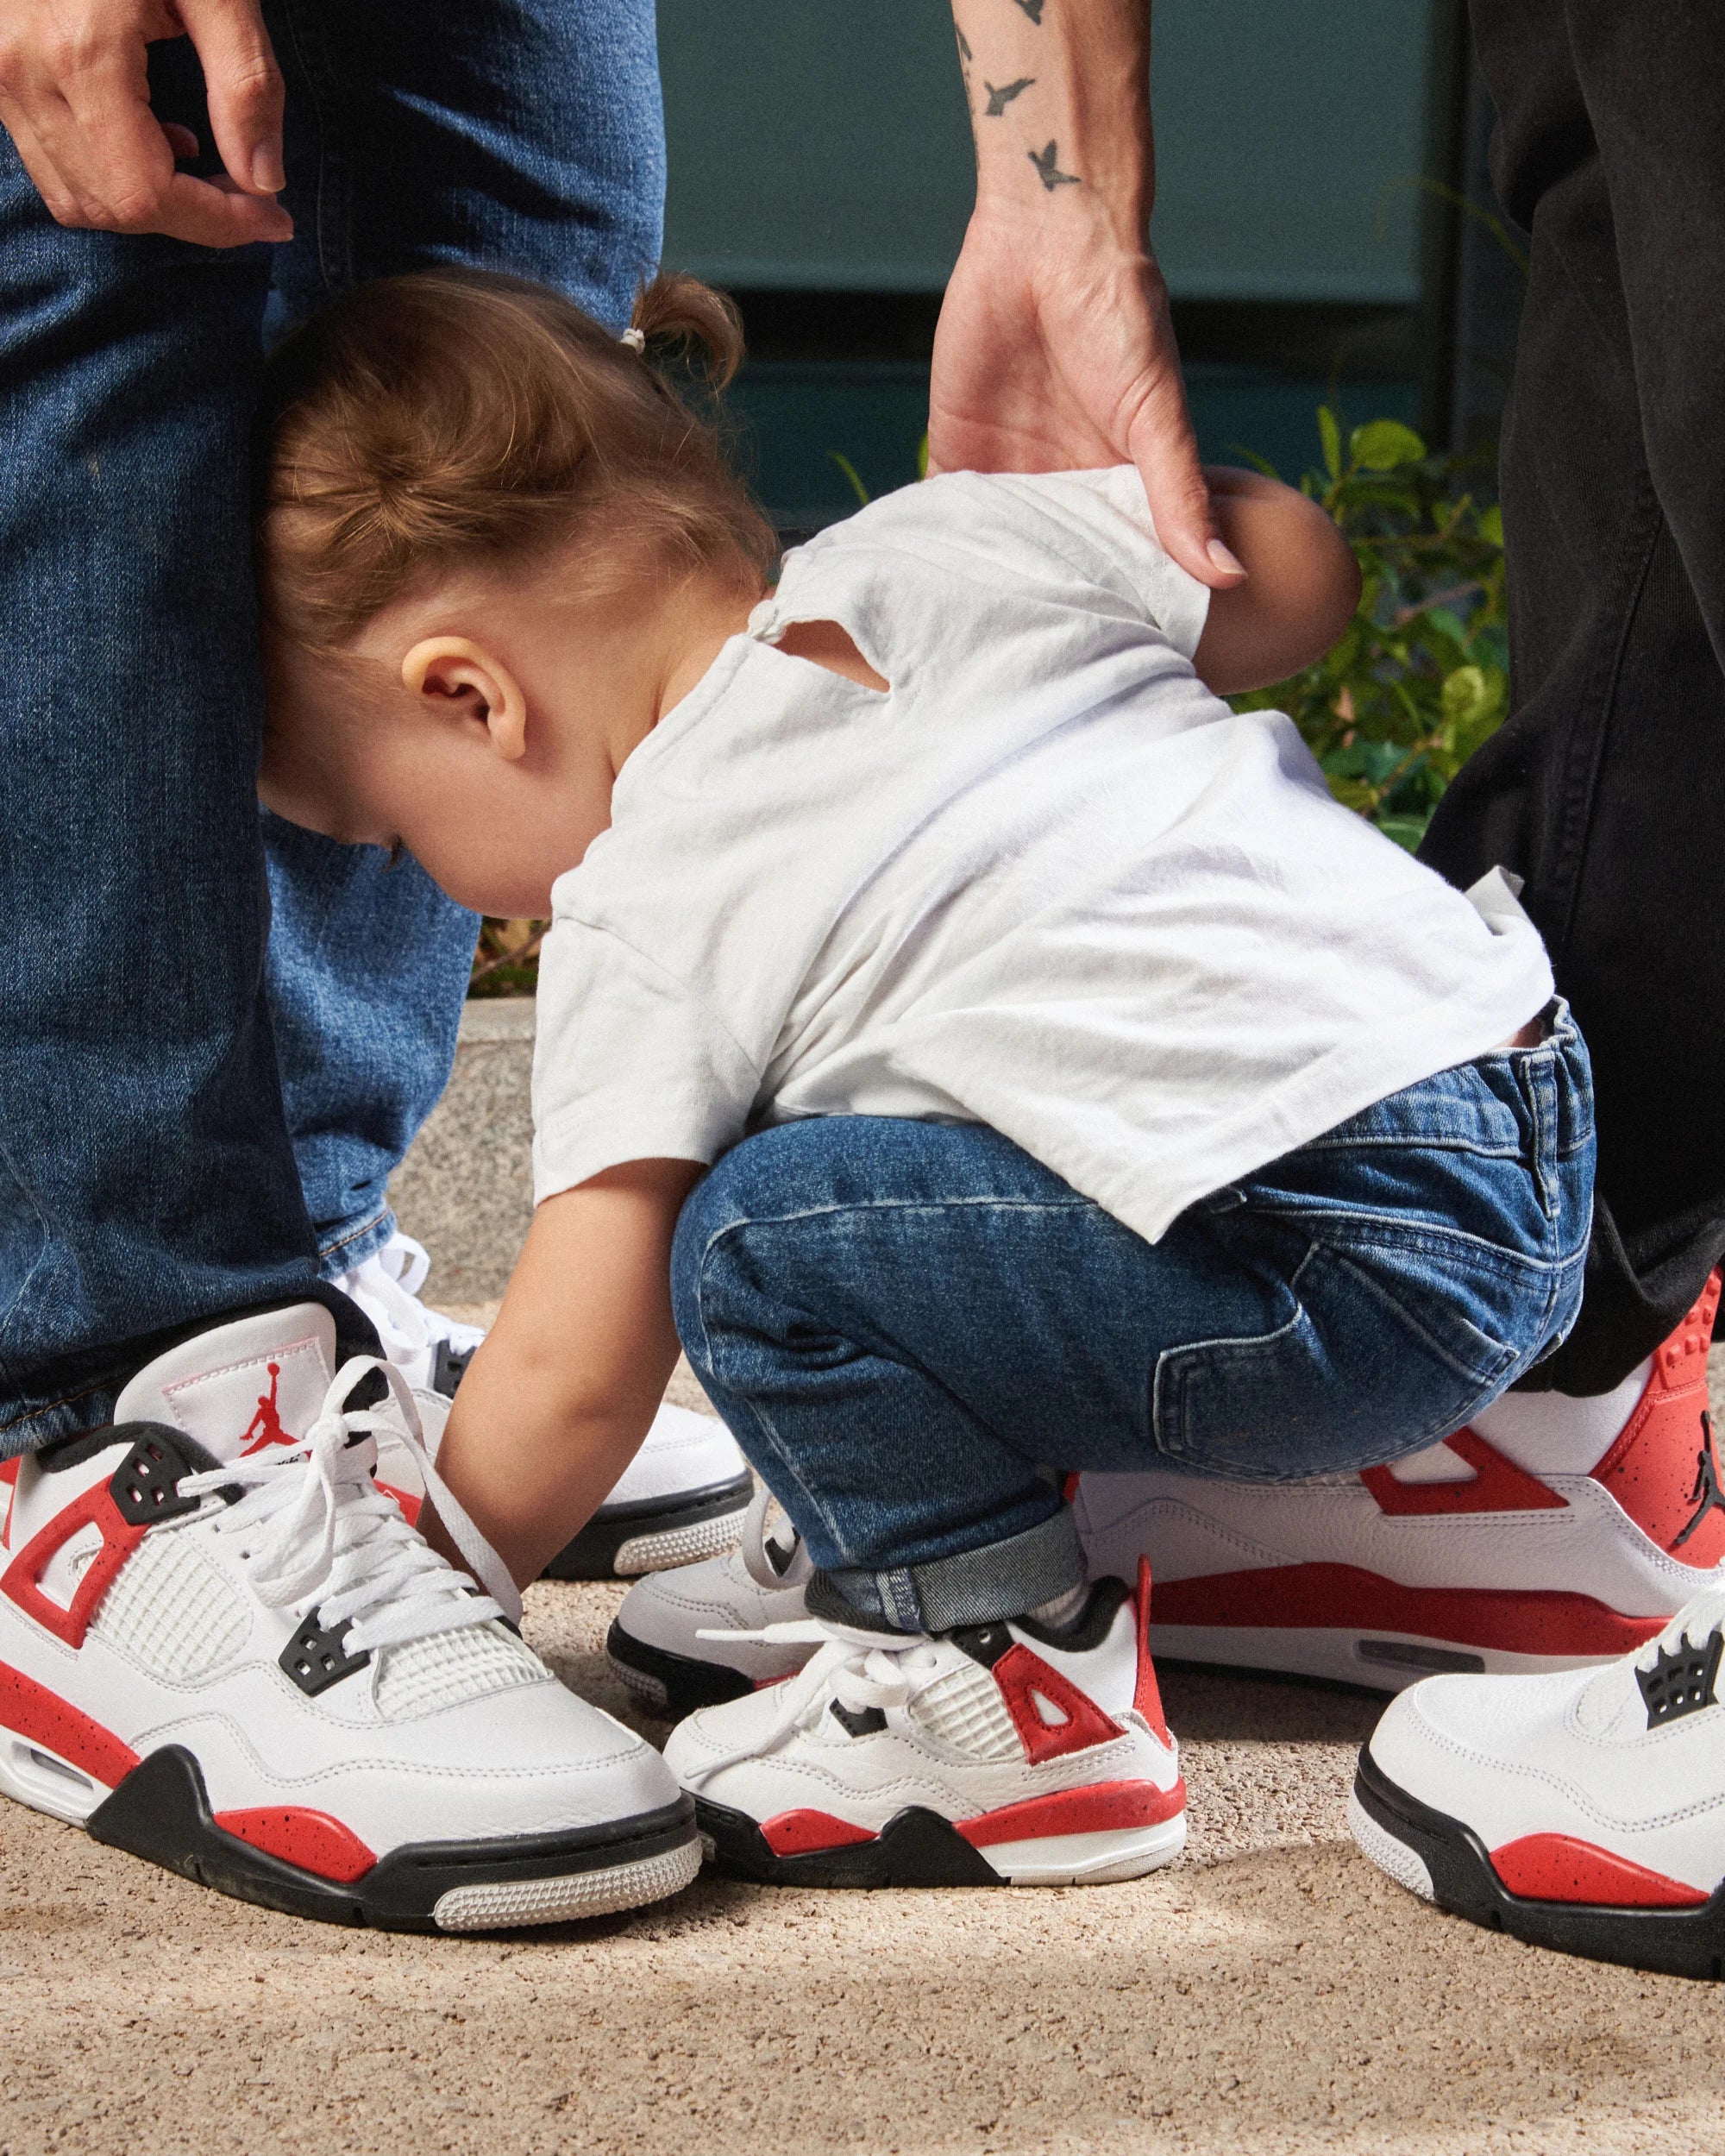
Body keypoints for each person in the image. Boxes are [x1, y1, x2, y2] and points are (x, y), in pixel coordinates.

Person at [248, 265, 1578, 1886]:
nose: (422, 880)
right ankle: (903, 1529)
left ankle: (1001, 1685)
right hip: (1527, 1113)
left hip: (1330, 1279)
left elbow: (575, 1370)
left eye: (390, 832)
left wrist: (412, 1584)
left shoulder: (654, 894)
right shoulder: (948, 540)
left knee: (747, 1239)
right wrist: (1119, 475)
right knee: (904, 1091)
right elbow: (1297, 577)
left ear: (469, 692)